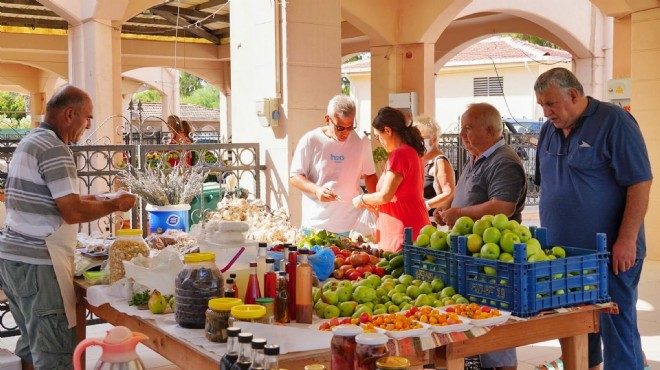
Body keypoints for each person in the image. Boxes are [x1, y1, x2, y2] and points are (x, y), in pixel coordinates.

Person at [0, 85, 138, 370]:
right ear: (69, 114)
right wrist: (115, 205)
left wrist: (100, 198)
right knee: (55, 356)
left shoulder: (32, 141)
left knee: (30, 346)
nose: (88, 125)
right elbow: (72, 211)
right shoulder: (55, 148)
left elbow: (58, 198)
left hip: (14, 259)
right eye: (87, 117)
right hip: (38, 263)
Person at [533, 67, 652, 370]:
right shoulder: (549, 130)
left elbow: (639, 183)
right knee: (575, 327)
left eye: (551, 104)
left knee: (617, 328)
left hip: (609, 253)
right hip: (564, 255)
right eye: (542, 105)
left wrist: (626, 240)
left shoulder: (614, 121)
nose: (546, 112)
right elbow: (548, 185)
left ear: (573, 94)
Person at [434, 102, 527, 370]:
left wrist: (459, 212)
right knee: (479, 321)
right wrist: (448, 209)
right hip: (472, 255)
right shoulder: (477, 156)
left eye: (468, 128)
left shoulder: (504, 161)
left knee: (496, 328)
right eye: (462, 128)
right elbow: (464, 191)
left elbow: (502, 207)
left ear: (489, 130)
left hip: (494, 257)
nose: (462, 134)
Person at [290, 95, 378, 235]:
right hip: (315, 225)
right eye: (339, 128)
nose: (345, 133)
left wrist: (376, 203)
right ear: (327, 119)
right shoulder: (311, 140)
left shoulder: (361, 141)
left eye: (350, 127)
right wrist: (316, 189)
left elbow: (370, 175)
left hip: (351, 225)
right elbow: (295, 176)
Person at [352, 106, 430, 252]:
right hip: (407, 229)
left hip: (403, 233)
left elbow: (385, 196)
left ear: (387, 131)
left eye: (377, 136)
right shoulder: (409, 152)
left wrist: (362, 199)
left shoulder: (400, 154)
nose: (379, 141)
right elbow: (399, 195)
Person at [412, 114, 455, 217]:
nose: (416, 143)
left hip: (432, 222)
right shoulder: (419, 159)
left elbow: (449, 192)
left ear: (433, 139)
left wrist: (426, 205)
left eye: (420, 139)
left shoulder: (440, 161)